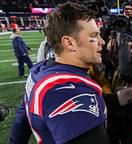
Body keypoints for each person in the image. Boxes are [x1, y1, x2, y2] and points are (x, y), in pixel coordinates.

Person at [20, 2, 110, 143]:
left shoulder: (41, 70)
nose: (102, 41)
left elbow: (20, 122)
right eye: (94, 36)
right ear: (69, 43)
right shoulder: (66, 90)